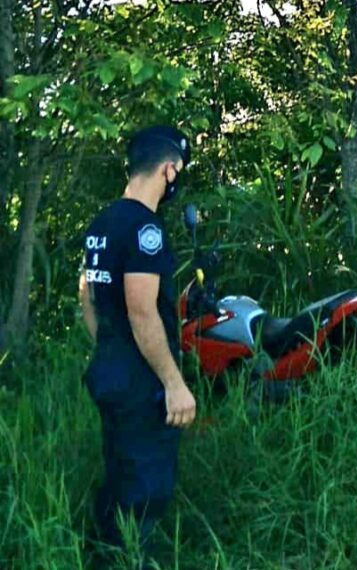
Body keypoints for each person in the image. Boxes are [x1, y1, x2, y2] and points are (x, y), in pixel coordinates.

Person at [78, 125, 197, 559]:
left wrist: (108, 346)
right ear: (168, 170)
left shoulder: (103, 222)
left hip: (109, 369)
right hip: (140, 380)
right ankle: (128, 561)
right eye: (177, 170)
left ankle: (102, 555)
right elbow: (141, 309)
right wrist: (173, 382)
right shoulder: (147, 230)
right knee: (145, 489)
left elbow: (86, 294)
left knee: (119, 474)